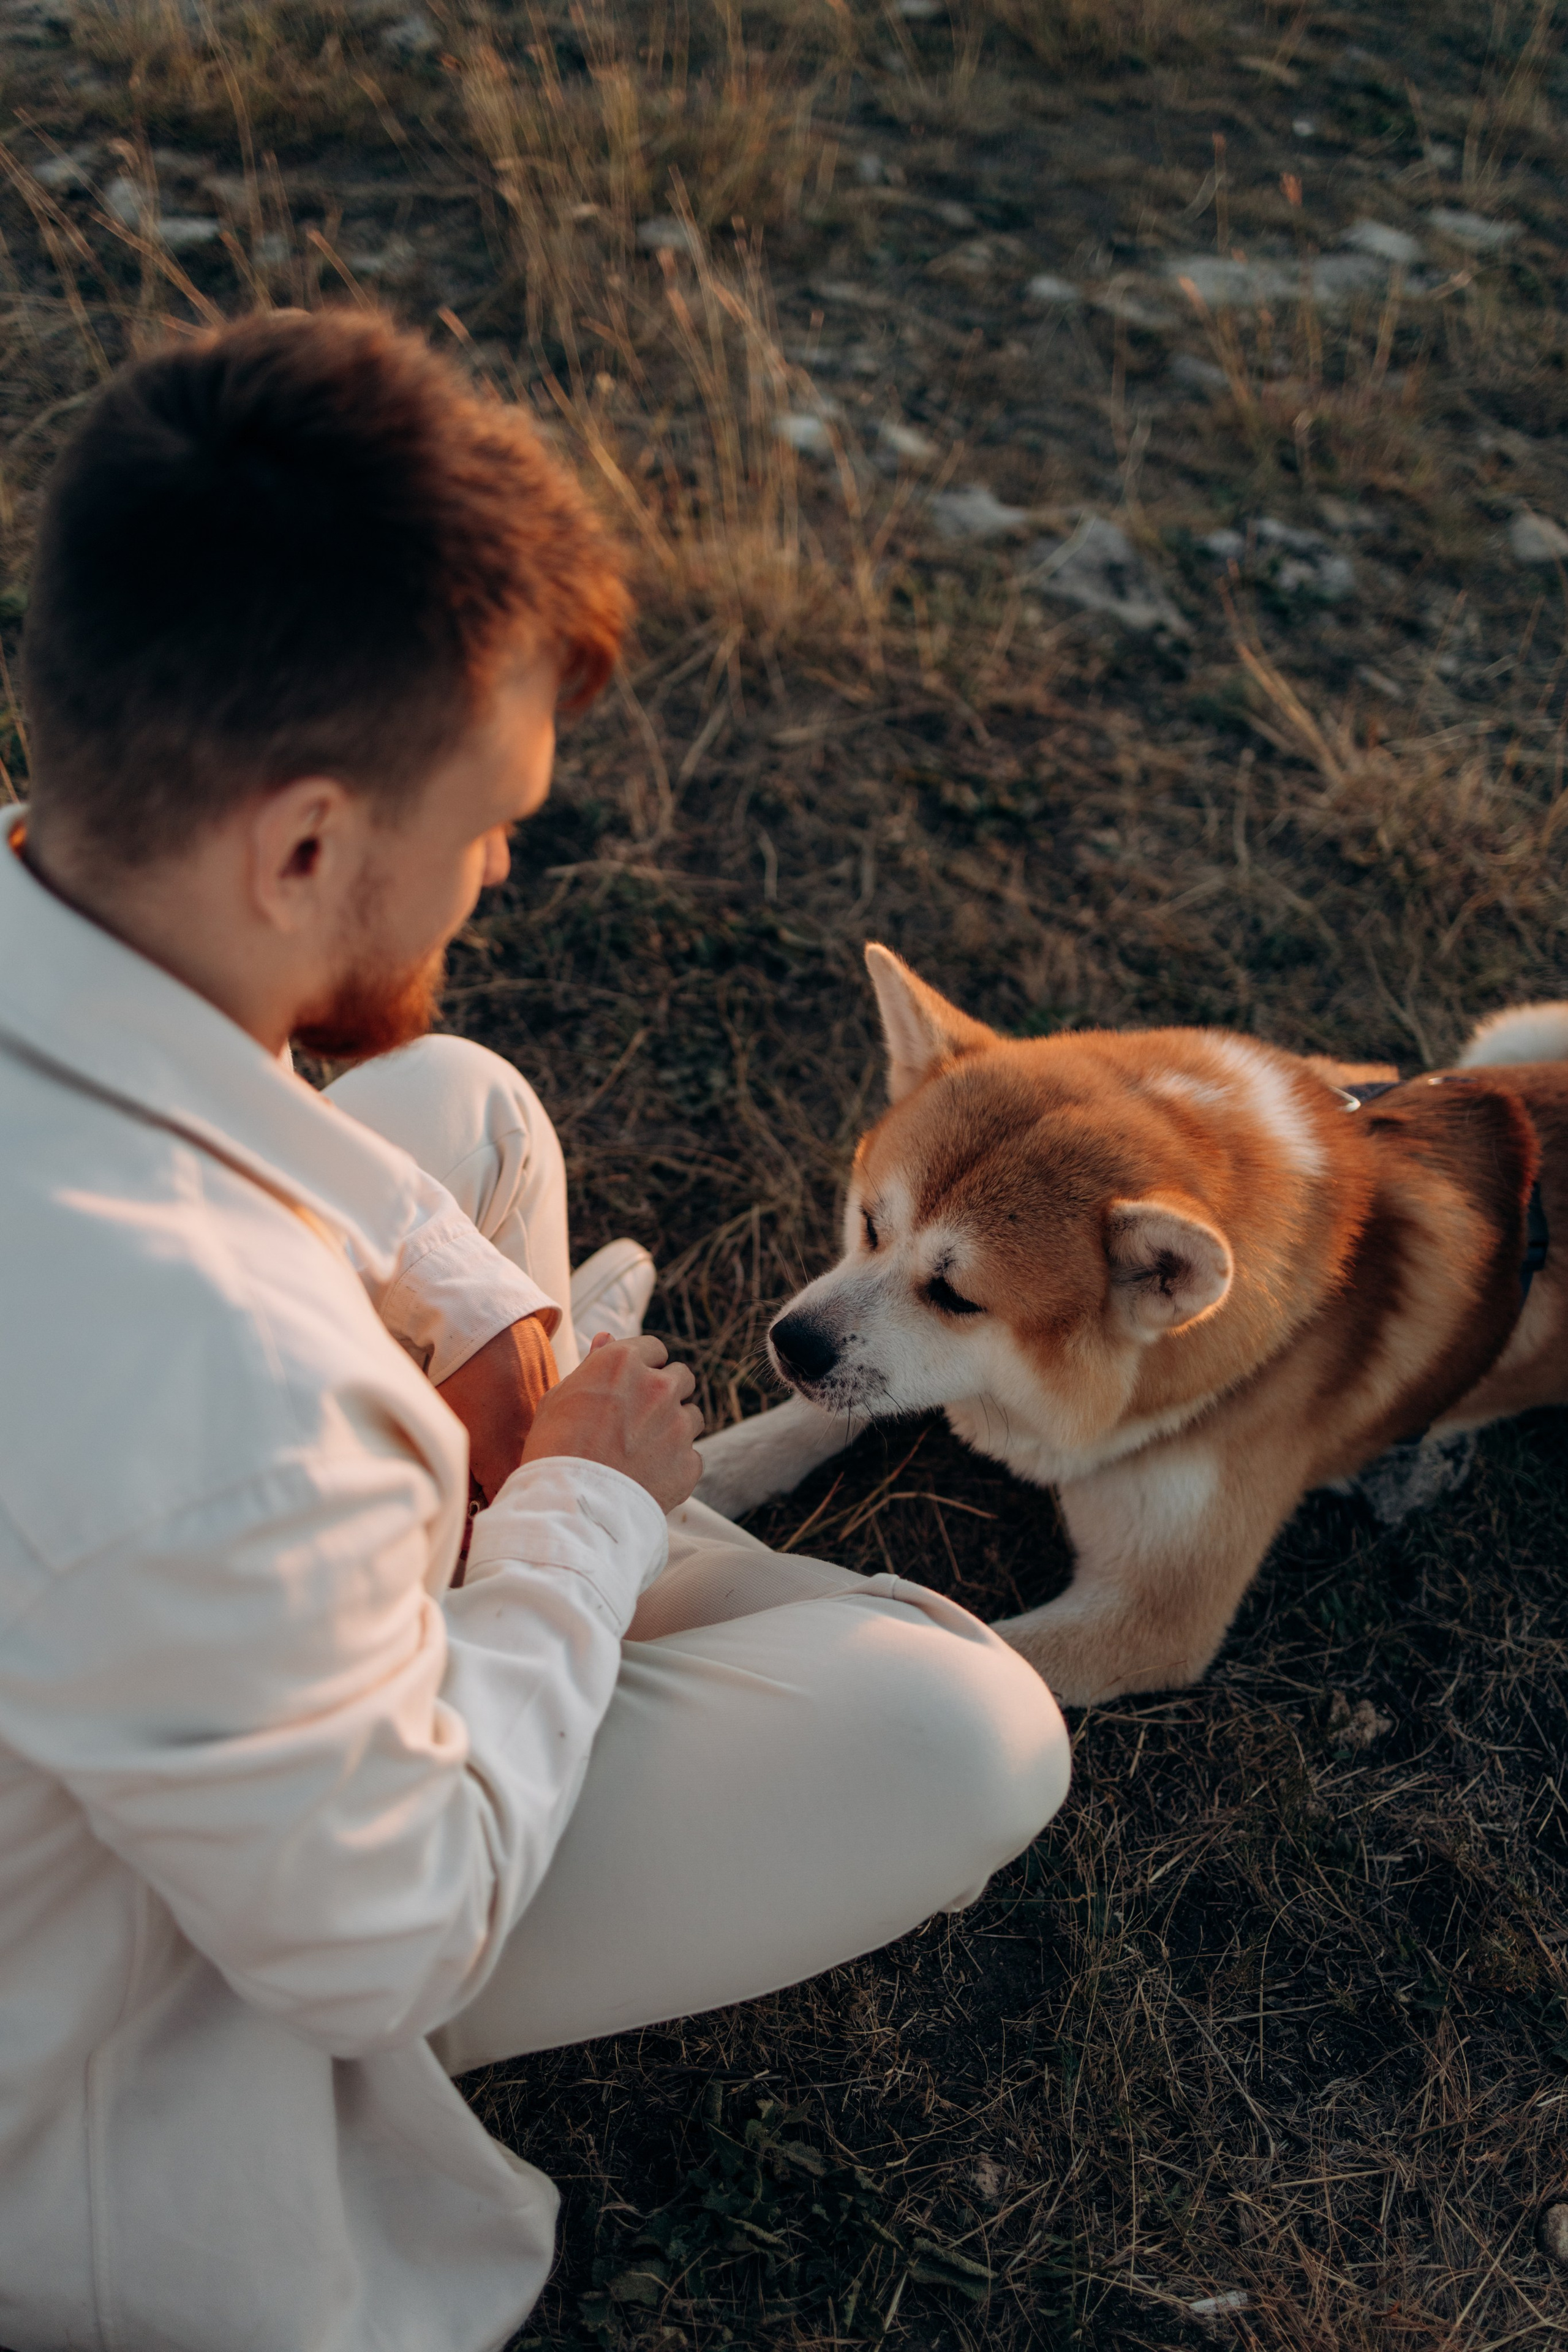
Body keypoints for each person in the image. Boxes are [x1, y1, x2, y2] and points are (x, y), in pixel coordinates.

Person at [0, 309, 1071, 2352]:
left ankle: (615, 1545)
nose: (500, 868)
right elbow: (381, 1931)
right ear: (304, 846)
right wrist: (572, 1517)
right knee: (969, 1729)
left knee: (466, 1112)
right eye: (490, 821)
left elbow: (255, 1144)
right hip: (160, 1980)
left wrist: (492, 1332)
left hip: (144, 1651)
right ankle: (652, 1564)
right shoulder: (208, 1388)